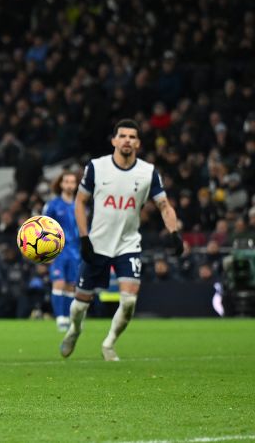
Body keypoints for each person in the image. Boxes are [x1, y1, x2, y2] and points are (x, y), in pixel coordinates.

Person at [61, 119, 183, 362]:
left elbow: (164, 205)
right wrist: (84, 238)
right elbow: (80, 202)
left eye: (132, 136)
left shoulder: (148, 172)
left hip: (128, 244)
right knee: (80, 304)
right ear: (114, 140)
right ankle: (74, 330)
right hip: (98, 244)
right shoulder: (97, 167)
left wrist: (174, 233)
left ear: (138, 142)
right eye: (123, 136)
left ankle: (109, 343)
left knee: (128, 302)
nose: (127, 140)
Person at [42, 171, 80, 331]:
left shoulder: (80, 205)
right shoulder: (53, 205)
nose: (70, 185)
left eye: (72, 182)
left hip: (76, 252)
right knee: (59, 283)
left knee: (71, 286)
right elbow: (43, 227)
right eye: (67, 182)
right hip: (58, 251)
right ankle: (60, 318)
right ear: (61, 184)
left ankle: (69, 317)